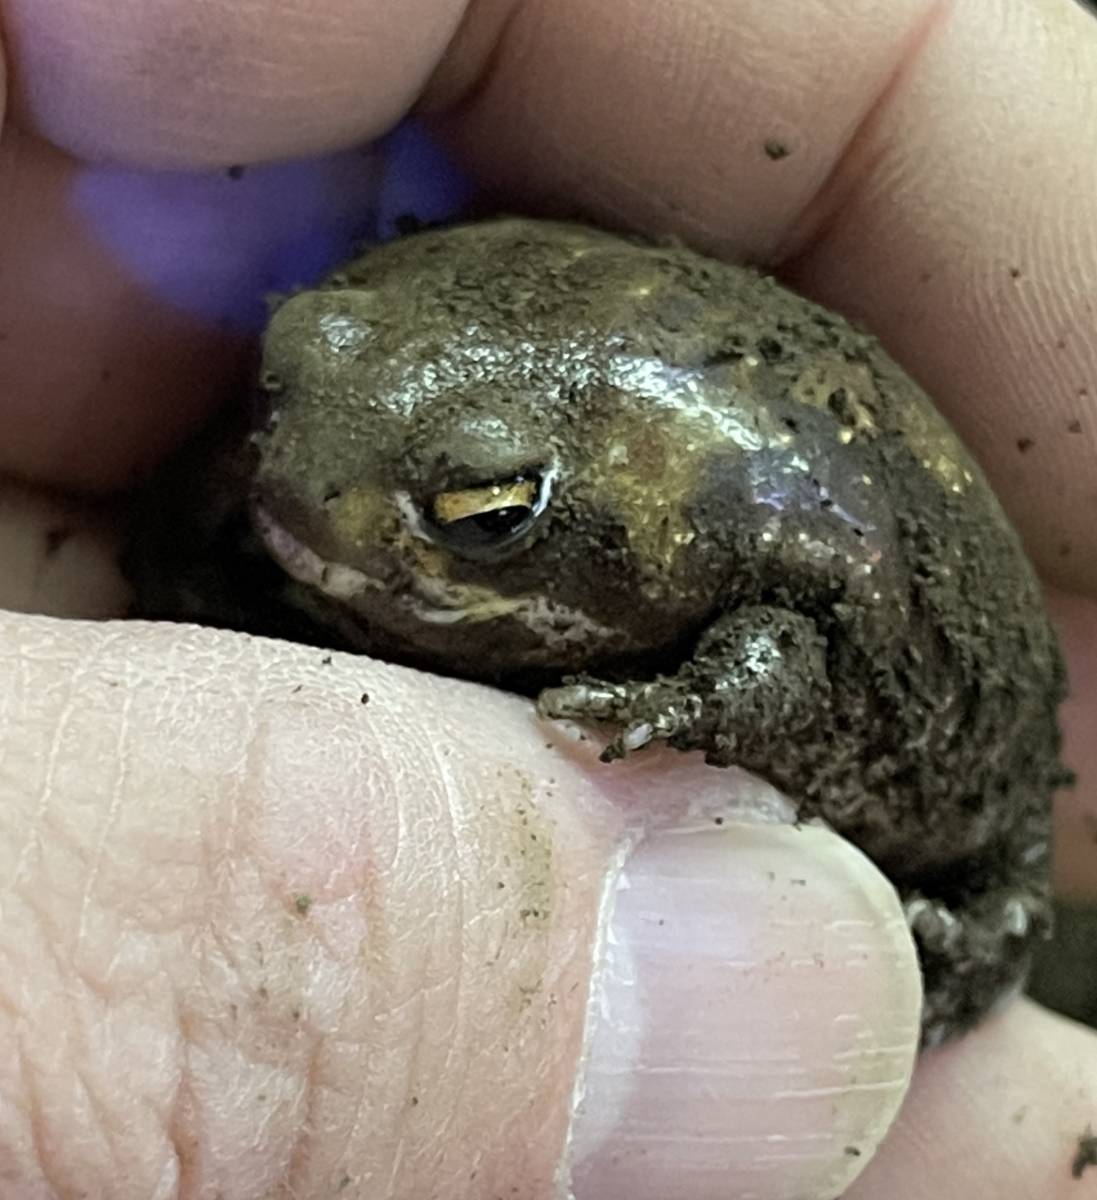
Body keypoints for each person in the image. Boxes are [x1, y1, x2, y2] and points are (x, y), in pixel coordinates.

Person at [0, 0, 1094, 1196]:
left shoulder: (733, 563)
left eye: (478, 510)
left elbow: (789, 653)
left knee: (969, 950)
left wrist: (676, 709)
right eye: (285, 379)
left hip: (955, 804)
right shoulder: (316, 439)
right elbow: (267, 465)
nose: (300, 476)